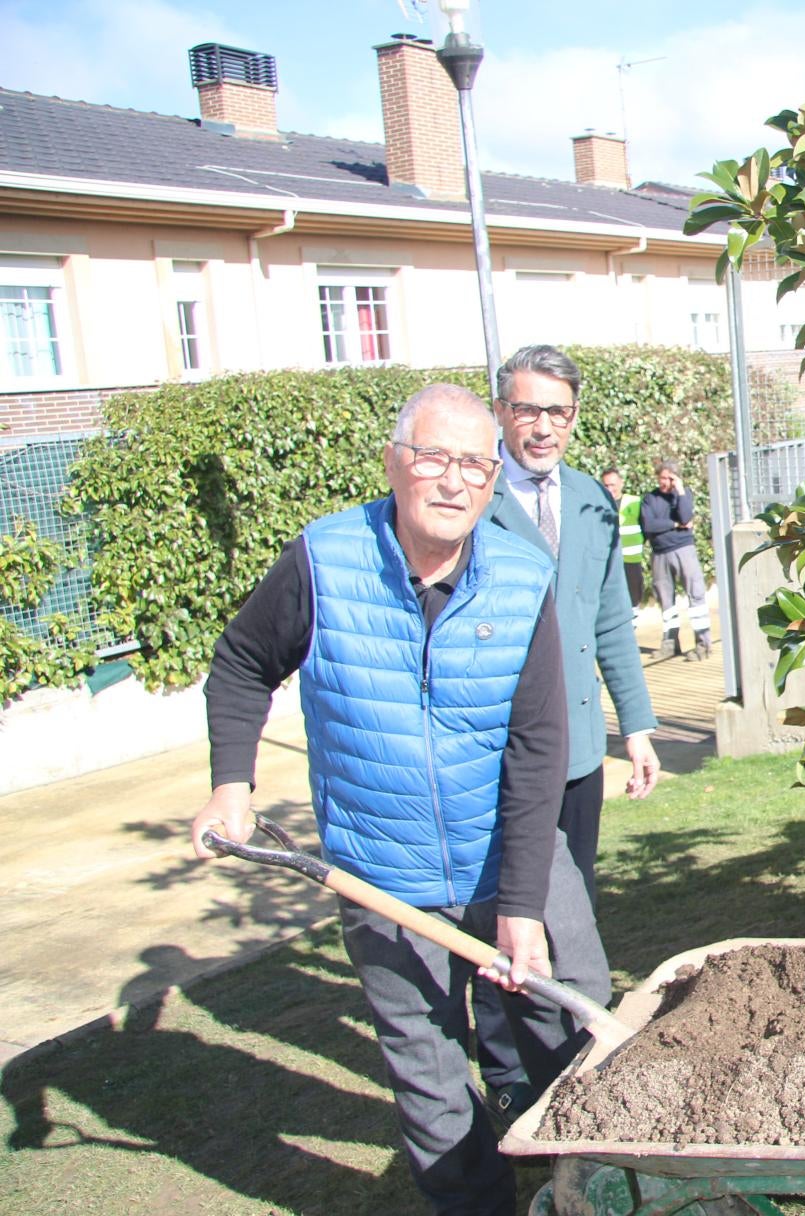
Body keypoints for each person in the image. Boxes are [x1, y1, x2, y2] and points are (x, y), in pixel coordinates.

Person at [190, 384, 612, 1216]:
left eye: (474, 465)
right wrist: (231, 782)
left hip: (510, 856)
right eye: (434, 458)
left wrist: (522, 904)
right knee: (426, 1073)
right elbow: (242, 662)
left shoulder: (522, 578)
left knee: (578, 1030)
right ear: (394, 462)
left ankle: (598, 1185)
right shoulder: (325, 560)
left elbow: (537, 748)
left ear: (493, 482)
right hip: (381, 873)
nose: (454, 482)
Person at [479, 344, 661, 1118]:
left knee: (573, 904)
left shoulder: (589, 497)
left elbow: (611, 620)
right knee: (503, 913)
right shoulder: (472, 497)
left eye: (556, 411)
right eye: (526, 409)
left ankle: (570, 1051)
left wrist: (639, 728)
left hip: (579, 754)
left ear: (574, 417)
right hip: (501, 755)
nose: (541, 427)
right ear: (501, 413)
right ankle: (509, 1065)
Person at [641, 460, 713, 661]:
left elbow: (686, 516)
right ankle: (670, 644)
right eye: (661, 477)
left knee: (696, 596)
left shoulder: (683, 495)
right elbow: (649, 525)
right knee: (666, 601)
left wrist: (680, 490)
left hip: (684, 550)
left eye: (669, 478)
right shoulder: (650, 499)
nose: (664, 482)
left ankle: (703, 644)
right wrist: (674, 524)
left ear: (675, 479)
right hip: (659, 553)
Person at [601, 466, 645, 610]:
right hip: (609, 561)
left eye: (612, 484)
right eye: (606, 485)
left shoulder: (635, 502)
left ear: (621, 483)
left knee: (634, 600)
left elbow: (647, 527)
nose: (609, 488)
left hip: (631, 560)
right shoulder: (599, 506)